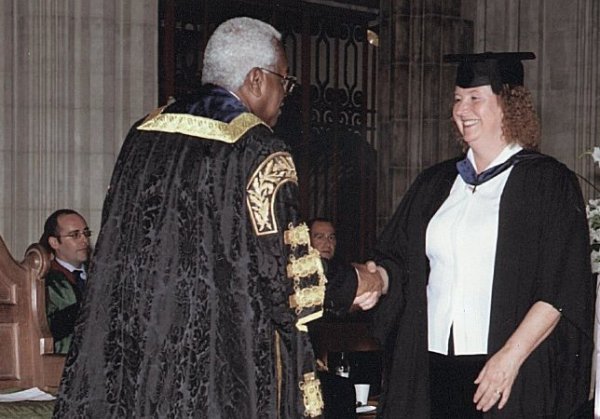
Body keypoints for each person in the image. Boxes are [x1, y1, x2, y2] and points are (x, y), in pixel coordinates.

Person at [53, 17, 383, 419]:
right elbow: (285, 274)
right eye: (285, 81)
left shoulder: (143, 134)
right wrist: (356, 282)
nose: (285, 95)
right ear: (257, 79)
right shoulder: (258, 149)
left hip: (141, 360)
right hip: (217, 365)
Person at [368, 52, 595, 418]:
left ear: (508, 105)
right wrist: (376, 279)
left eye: (476, 98)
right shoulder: (436, 184)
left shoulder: (547, 183)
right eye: (458, 99)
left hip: (508, 372)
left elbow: (561, 287)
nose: (462, 109)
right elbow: (397, 257)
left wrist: (509, 358)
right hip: (433, 367)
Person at [39, 209, 92, 354]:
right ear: (54, 242)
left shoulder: (99, 274)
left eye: (86, 233)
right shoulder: (44, 282)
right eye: (75, 235)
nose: (85, 240)